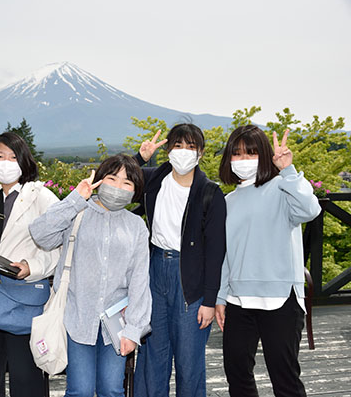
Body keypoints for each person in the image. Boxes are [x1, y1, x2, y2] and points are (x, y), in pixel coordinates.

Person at [30, 154, 152, 397]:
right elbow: (40, 233)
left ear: (135, 190)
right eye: (112, 178)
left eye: (127, 183)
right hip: (77, 316)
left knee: (112, 390)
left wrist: (134, 329)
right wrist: (76, 198)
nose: (118, 187)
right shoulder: (78, 213)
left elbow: (140, 280)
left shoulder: (136, 225)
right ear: (100, 180)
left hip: (117, 322)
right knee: (80, 391)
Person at [215, 125, 321, 397]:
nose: (243, 160)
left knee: (284, 379)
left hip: (280, 300)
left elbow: (310, 209)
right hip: (239, 301)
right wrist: (221, 297)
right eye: (236, 154)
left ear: (264, 154)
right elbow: (227, 254)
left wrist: (288, 170)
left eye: (251, 153)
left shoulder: (282, 187)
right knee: (237, 375)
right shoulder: (228, 201)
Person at [0, 132, 60, 397]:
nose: (5, 162)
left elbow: (60, 246)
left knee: (26, 380)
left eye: (13, 157)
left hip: (23, 302)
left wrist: (33, 266)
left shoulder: (41, 197)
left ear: (24, 161)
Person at [133, 123, 227, 397]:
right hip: (154, 271)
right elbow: (115, 177)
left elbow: (216, 251)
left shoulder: (210, 192)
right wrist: (140, 158)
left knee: (189, 361)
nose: (183, 152)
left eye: (190, 147)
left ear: (200, 153)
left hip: (190, 279)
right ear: (168, 150)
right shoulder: (153, 180)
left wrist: (209, 301)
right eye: (177, 146)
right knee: (153, 356)